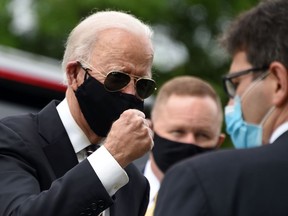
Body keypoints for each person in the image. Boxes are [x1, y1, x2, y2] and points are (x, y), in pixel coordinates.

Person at [0, 10, 157, 216]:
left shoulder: (134, 183)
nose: (130, 92)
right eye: (117, 78)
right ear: (74, 74)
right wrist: (112, 157)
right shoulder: (12, 139)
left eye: (143, 85)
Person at [154, 0, 288, 215]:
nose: (233, 103)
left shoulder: (203, 180)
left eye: (236, 83)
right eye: (178, 132)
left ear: (278, 83)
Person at [143, 76, 225, 215]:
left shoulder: (229, 203)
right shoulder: (116, 192)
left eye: (202, 135)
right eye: (178, 132)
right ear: (150, 131)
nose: (189, 142)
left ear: (218, 142)